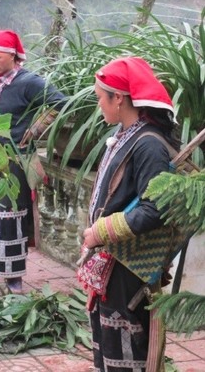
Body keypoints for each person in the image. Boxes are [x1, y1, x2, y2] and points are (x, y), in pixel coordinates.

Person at [81, 57, 181, 371]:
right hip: (116, 261)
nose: (100, 106)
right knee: (111, 344)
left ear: (119, 98)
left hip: (129, 266)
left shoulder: (148, 144)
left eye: (101, 98)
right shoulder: (129, 135)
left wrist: (101, 231)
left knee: (126, 351)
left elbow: (155, 209)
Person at [0, 30, 66, 294]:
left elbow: (60, 103)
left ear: (13, 55)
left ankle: (12, 275)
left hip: (12, 160)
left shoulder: (29, 82)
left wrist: (32, 131)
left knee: (10, 213)